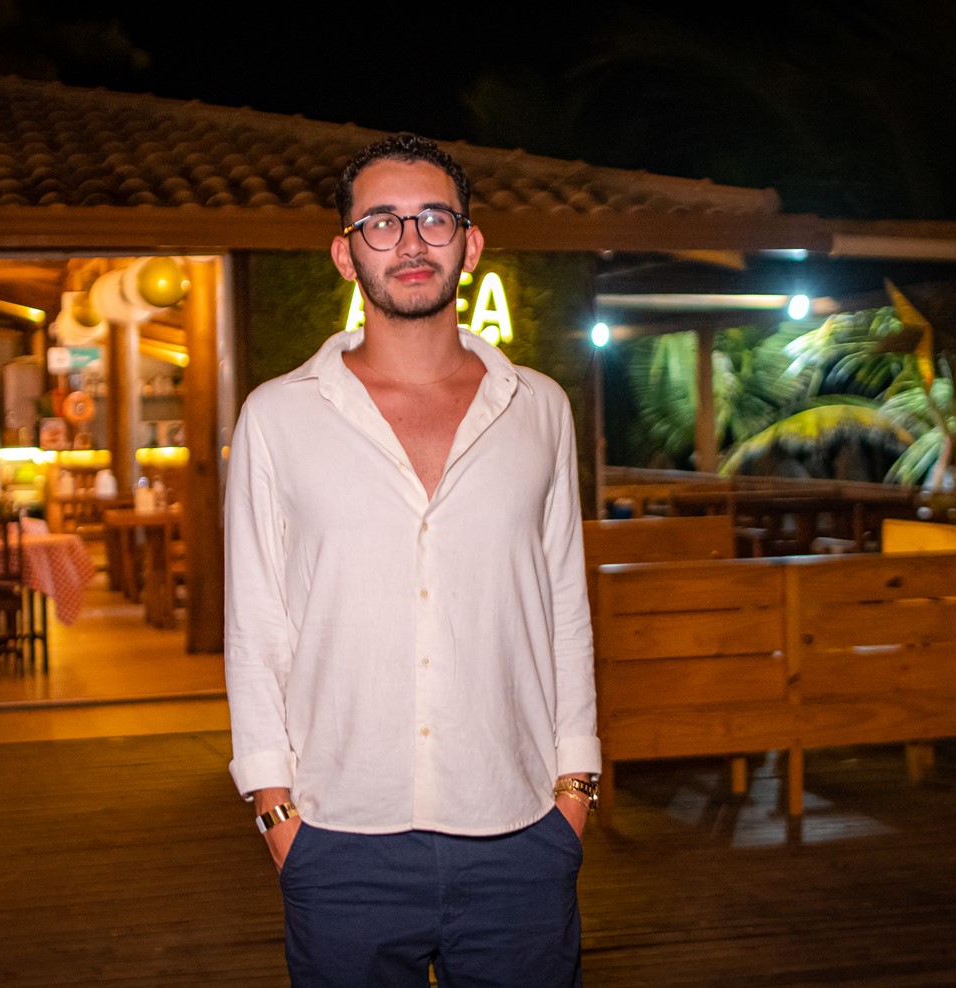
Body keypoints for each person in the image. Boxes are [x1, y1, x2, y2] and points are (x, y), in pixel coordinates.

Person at [224, 133, 600, 986]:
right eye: (381, 222)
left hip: (519, 832)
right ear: (346, 253)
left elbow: (565, 607)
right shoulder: (277, 417)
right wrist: (276, 810)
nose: (410, 241)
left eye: (434, 218)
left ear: (470, 243)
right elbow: (255, 627)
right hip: (338, 836)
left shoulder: (539, 409)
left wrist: (575, 786)